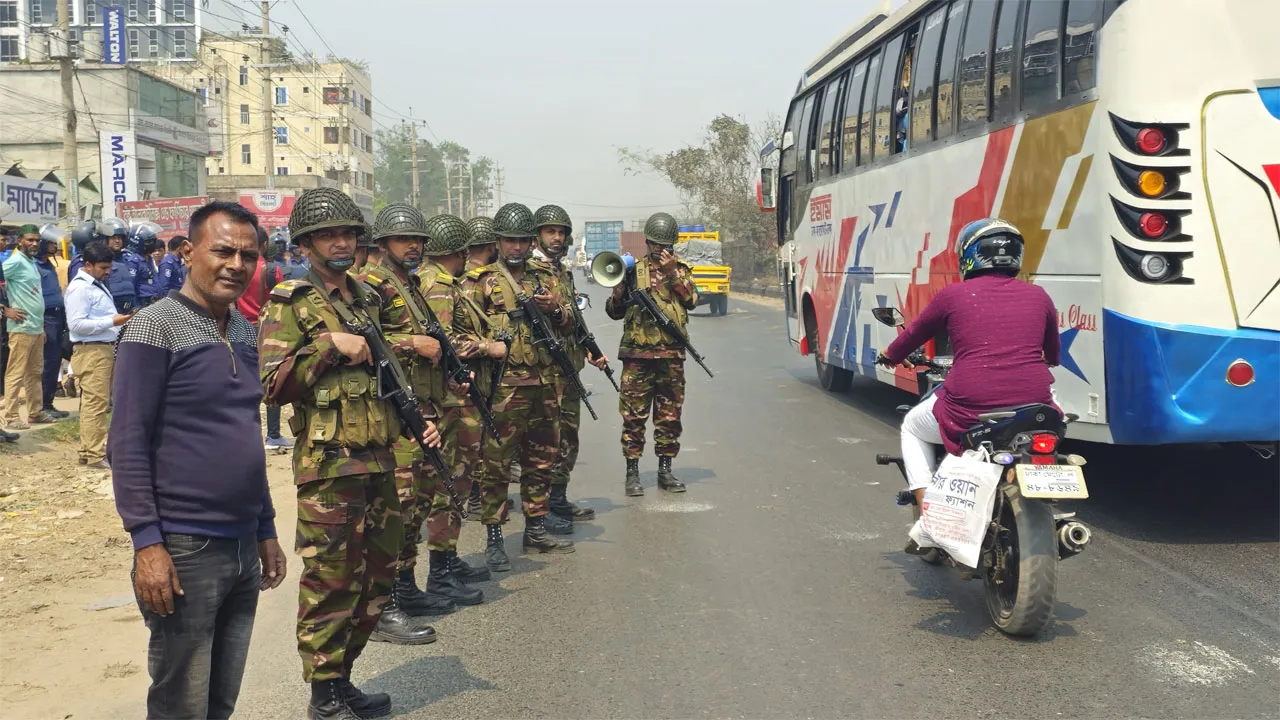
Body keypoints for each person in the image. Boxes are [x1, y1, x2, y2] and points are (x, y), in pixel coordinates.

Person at [258, 187, 439, 720]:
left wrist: (418, 417)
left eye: (347, 234)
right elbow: (270, 385)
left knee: (376, 578)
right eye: (328, 235)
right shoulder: (290, 301)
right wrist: (326, 346)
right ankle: (322, 696)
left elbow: (386, 372)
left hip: (379, 459)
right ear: (307, 243)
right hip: (329, 466)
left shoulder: (364, 297)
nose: (340, 242)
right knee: (330, 581)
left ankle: (343, 679)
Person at [109, 201, 286, 720]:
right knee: (180, 703)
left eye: (247, 256)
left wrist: (265, 526)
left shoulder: (242, 331)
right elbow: (127, 443)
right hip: (184, 547)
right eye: (223, 251)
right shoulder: (153, 328)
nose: (236, 264)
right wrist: (148, 544)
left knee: (220, 699)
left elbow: (244, 436)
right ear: (188, 252)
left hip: (240, 544)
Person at [359, 206, 495, 618]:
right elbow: (363, 338)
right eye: (404, 240)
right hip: (395, 411)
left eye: (418, 240)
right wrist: (412, 344)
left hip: (425, 406)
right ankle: (388, 600)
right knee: (398, 507)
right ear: (383, 244)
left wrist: (448, 373)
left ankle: (407, 586)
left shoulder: (410, 284)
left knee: (416, 503)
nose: (413, 246)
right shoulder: (372, 284)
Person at [877, 218, 1059, 521]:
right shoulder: (1039, 296)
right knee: (1052, 421)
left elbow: (910, 338)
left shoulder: (952, 295)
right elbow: (1052, 355)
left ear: (969, 255)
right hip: (1035, 401)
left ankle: (929, 513)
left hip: (970, 404)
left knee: (911, 426)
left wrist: (890, 354)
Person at [464, 202, 575, 572]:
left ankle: (536, 526)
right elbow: (461, 336)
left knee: (541, 459)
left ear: (531, 242)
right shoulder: (480, 282)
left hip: (545, 384)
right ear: (497, 241)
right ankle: (495, 537)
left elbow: (570, 322)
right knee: (495, 465)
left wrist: (555, 310)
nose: (516, 247)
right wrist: (485, 350)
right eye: (509, 240)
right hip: (503, 389)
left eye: (522, 241)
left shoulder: (544, 279)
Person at [604, 212, 699, 496]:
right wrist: (619, 291)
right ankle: (632, 472)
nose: (660, 249)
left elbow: (693, 300)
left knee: (669, 415)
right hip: (637, 356)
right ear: (647, 243)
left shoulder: (681, 271)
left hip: (671, 356)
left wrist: (672, 274)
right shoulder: (632, 270)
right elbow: (613, 311)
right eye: (656, 244)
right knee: (633, 416)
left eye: (666, 244)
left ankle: (665, 470)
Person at [531, 205, 609, 531]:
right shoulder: (530, 272)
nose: (557, 237)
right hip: (543, 371)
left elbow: (573, 318)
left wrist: (591, 351)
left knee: (568, 439)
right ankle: (541, 509)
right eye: (550, 231)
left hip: (569, 369)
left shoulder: (561, 271)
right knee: (544, 442)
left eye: (561, 232)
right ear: (538, 234)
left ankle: (558, 498)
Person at [65, 242, 130, 468]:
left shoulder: (95, 284)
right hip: (91, 350)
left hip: (102, 348)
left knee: (96, 402)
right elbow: (76, 324)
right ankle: (94, 455)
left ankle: (87, 450)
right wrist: (112, 321)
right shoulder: (80, 289)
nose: (107, 272)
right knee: (96, 403)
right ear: (88, 264)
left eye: (109, 267)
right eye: (103, 267)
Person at [235, 226, 293, 452]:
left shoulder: (237, 268)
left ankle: (245, 435)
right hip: (267, 330)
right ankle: (273, 435)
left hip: (240, 327)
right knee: (271, 381)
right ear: (264, 245)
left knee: (245, 382)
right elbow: (279, 302)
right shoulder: (270, 270)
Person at [2, 225, 56, 429]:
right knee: (15, 373)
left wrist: (40, 326)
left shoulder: (31, 262)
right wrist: (4, 310)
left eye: (37, 240)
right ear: (20, 241)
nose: (34, 244)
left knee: (35, 372)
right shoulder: (14, 262)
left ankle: (35, 412)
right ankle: (12, 416)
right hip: (20, 327)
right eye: (29, 240)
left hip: (34, 327)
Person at [35, 234, 69, 420]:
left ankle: (48, 403)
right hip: (45, 316)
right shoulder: (33, 266)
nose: (54, 247)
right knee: (48, 362)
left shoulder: (49, 264)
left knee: (55, 360)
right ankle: (42, 405)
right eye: (50, 243)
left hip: (58, 315)